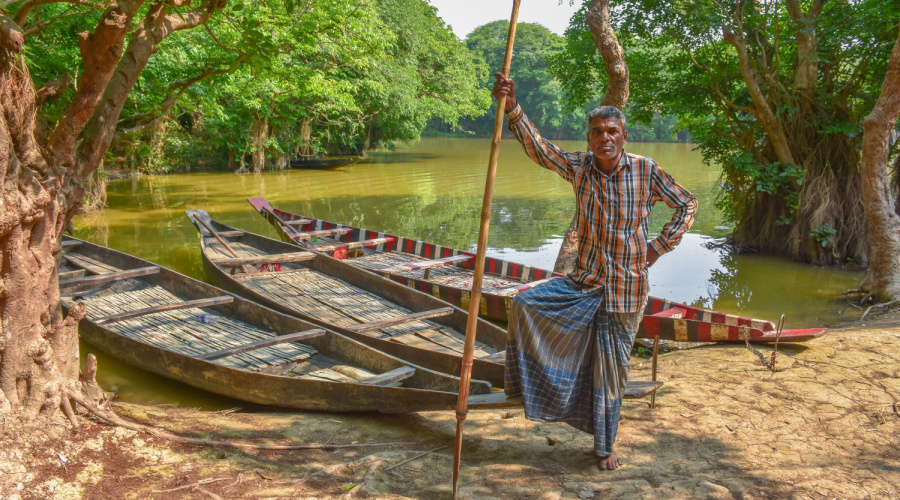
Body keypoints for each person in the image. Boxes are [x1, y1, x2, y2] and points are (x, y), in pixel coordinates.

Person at [493, 73, 698, 471]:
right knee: (524, 302)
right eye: (596, 132)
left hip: (626, 290)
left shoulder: (645, 171)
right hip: (582, 283)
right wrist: (513, 107)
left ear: (624, 136)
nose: (604, 137)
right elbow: (540, 150)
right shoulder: (580, 168)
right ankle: (530, 389)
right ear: (588, 138)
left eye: (612, 131)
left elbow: (687, 203)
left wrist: (659, 246)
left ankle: (604, 448)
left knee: (611, 370)